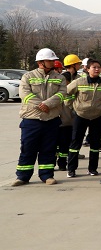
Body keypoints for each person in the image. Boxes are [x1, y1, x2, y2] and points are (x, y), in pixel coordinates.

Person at [12, 48, 66, 186]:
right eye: (50, 60)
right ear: (41, 62)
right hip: (31, 119)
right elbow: (25, 95)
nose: (53, 62)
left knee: (48, 149)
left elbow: (61, 94)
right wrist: (41, 105)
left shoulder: (59, 77)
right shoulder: (28, 76)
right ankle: (22, 176)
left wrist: (47, 104)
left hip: (51, 119)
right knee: (27, 148)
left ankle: (47, 175)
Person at [65, 59, 101, 178]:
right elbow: (66, 94)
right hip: (80, 115)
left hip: (97, 116)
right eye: (94, 67)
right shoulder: (79, 81)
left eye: (98, 67)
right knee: (75, 143)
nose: (97, 69)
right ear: (87, 69)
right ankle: (71, 169)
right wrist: (72, 106)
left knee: (95, 144)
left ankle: (93, 169)